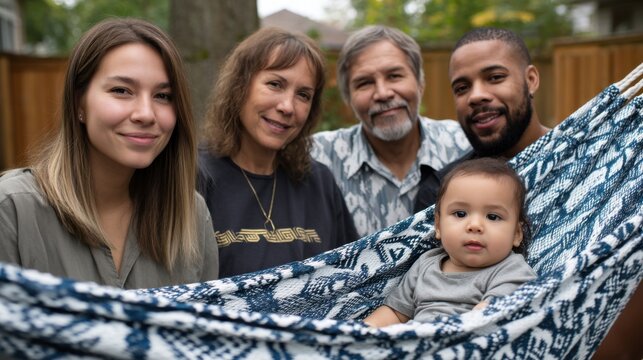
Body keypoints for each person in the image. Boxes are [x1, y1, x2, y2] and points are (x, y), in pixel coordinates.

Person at [0, 18, 218, 288]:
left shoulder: (192, 216)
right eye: (121, 91)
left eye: (163, 96)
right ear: (79, 102)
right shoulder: (11, 210)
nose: (146, 114)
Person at [198, 27, 358, 278]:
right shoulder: (194, 175)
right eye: (275, 84)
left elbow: (350, 276)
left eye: (303, 95)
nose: (287, 106)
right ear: (239, 86)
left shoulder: (319, 181)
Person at [311, 25, 471, 238]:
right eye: (364, 83)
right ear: (348, 98)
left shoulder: (465, 145)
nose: (383, 93)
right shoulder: (317, 158)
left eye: (394, 76)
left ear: (420, 83)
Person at [364, 157, 536, 327]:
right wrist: (361, 332)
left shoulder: (512, 270)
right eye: (460, 214)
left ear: (516, 234)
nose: (474, 226)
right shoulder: (425, 264)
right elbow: (395, 313)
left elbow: (489, 317)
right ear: (438, 226)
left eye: (493, 216)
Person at [414, 27, 549, 212]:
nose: (476, 96)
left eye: (495, 77)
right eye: (462, 88)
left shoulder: (585, 157)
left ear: (531, 80)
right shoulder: (440, 192)